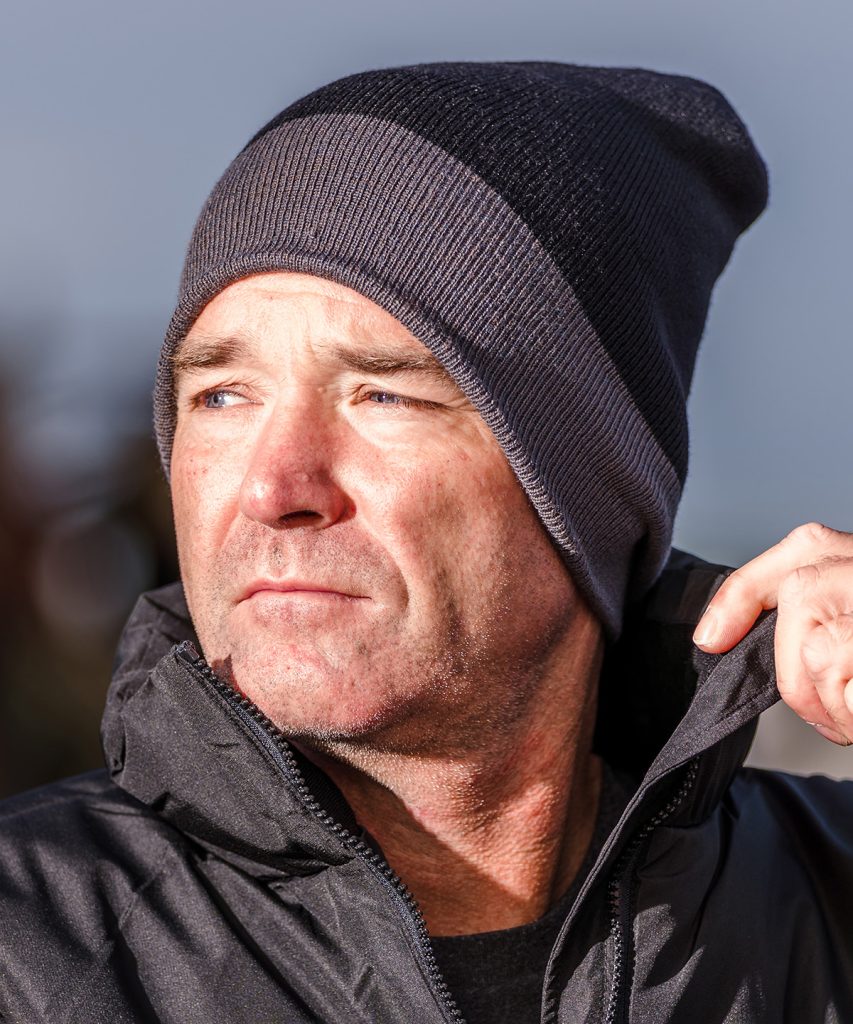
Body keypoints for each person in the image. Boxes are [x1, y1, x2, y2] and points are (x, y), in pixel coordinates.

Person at [2, 61, 852, 1024]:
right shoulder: (29, 951)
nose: (273, 490)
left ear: (589, 488)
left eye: (382, 394)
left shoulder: (825, 906)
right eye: (223, 396)